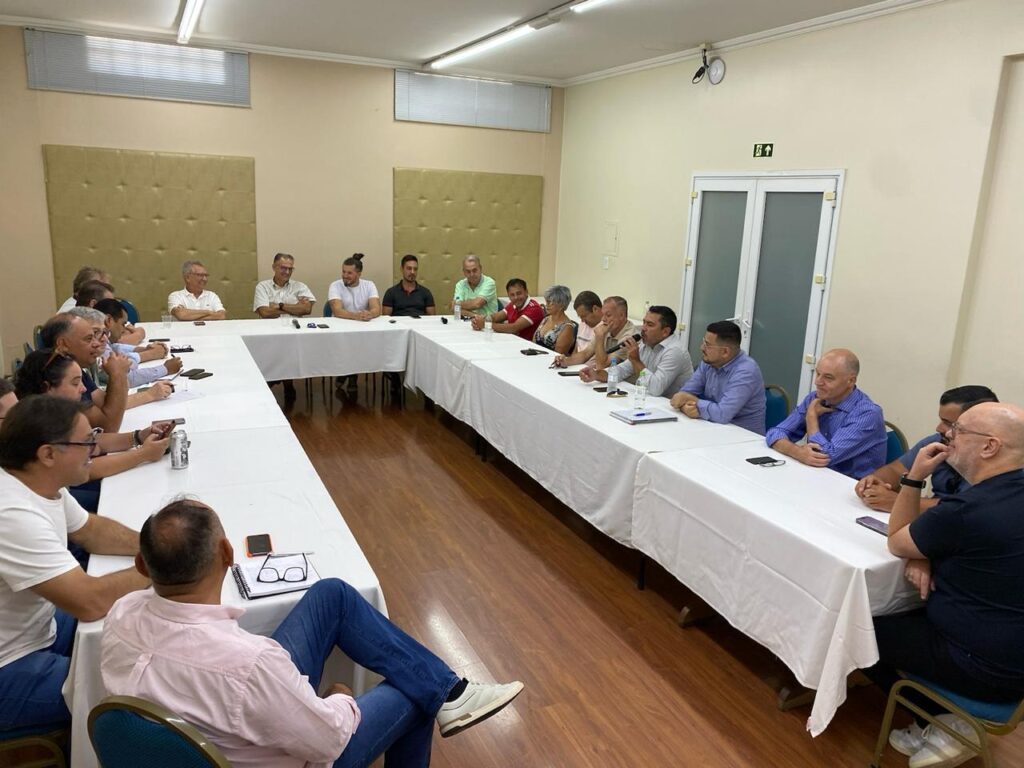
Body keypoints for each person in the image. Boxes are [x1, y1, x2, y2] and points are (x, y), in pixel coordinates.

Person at [101, 499, 524, 767]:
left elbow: (242, 681)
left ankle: (451, 692)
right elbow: (328, 741)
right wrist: (339, 697)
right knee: (412, 691)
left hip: (209, 726)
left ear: (142, 566)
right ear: (228, 555)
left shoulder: (120, 615)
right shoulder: (250, 664)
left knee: (331, 595)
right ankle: (444, 694)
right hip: (287, 747)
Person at [868, 402, 1024, 768]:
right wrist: (926, 553)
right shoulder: (1002, 495)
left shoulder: (969, 508)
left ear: (989, 447)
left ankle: (944, 722)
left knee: (858, 627)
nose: (947, 436)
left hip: (982, 664)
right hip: (1013, 654)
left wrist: (913, 477)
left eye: (958, 431)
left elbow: (896, 540)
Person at [0, 396, 150, 731]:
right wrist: (161, 565)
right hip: (9, 667)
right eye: (86, 442)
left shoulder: (39, 482)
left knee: (141, 631)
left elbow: (91, 531)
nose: (95, 449)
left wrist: (151, 546)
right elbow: (89, 601)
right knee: (145, 689)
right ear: (48, 454)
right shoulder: (10, 513)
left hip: (39, 628)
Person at [14, 350, 173, 511]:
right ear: (47, 387)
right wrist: (143, 454)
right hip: (69, 497)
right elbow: (88, 468)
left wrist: (138, 436)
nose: (83, 389)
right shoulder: (37, 423)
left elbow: (93, 440)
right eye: (75, 383)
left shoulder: (55, 411)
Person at [855, 385, 998, 513]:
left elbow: (963, 508)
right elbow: (896, 470)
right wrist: (871, 483)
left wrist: (897, 502)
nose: (940, 428)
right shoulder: (938, 442)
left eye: (950, 424)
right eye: (941, 420)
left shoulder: (997, 462)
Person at [764, 348, 885, 479]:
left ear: (850, 381)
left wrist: (811, 418)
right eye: (818, 374)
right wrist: (798, 452)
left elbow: (823, 457)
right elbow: (775, 433)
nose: (818, 382)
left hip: (851, 487)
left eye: (828, 377)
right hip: (817, 477)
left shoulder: (867, 414)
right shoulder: (814, 398)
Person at [40, 313, 170, 432]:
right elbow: (108, 427)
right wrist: (118, 374)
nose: (97, 344)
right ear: (63, 344)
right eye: (89, 339)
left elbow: (104, 403)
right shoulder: (56, 375)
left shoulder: (72, 365)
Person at [670, 320, 766, 434]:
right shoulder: (708, 362)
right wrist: (686, 407)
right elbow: (683, 394)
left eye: (707, 345)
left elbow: (723, 414)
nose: (702, 348)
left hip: (743, 437)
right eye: (703, 342)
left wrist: (694, 402)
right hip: (713, 427)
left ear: (725, 352)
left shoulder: (746, 371)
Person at [580, 306, 693, 397]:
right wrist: (596, 375)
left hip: (673, 410)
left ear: (665, 332)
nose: (643, 328)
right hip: (650, 401)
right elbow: (622, 370)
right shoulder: (647, 344)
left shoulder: (675, 351)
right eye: (644, 322)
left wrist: (635, 360)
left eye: (650, 325)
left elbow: (656, 388)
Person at [93, 299, 183, 387]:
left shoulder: (103, 339)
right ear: (108, 320)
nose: (124, 329)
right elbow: (127, 378)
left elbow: (114, 347)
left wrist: (143, 349)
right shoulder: (97, 343)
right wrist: (165, 369)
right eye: (123, 324)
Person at [553, 296, 637, 369]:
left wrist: (600, 337)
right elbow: (585, 354)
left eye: (608, 315)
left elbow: (602, 366)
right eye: (603, 315)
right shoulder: (608, 327)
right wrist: (566, 361)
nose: (603, 319)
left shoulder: (629, 337)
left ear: (622, 315)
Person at [470, 278, 543, 341]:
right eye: (512, 295)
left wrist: (485, 324)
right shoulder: (513, 304)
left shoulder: (534, 308)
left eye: (519, 293)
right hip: (513, 342)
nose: (516, 297)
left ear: (526, 292)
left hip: (529, 349)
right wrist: (479, 320)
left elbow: (514, 328)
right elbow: (495, 317)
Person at [254, 252, 315, 319]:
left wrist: (280, 306)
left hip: (295, 326)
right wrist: (295, 308)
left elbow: (306, 309)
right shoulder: (263, 287)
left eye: (290, 269)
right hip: (271, 327)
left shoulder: (300, 287)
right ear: (274, 267)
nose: (287, 272)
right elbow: (265, 313)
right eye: (283, 268)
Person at [328, 253, 380, 321]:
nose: (345, 276)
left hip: (364, 324)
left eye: (349, 273)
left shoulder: (369, 285)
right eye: (343, 272)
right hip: (340, 324)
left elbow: (376, 308)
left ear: (359, 274)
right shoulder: (335, 285)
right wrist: (356, 316)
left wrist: (370, 314)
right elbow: (337, 311)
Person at [532, 285, 576, 354]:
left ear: (561, 304)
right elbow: (533, 342)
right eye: (546, 301)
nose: (546, 305)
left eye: (550, 302)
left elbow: (558, 354)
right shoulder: (546, 319)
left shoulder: (567, 327)